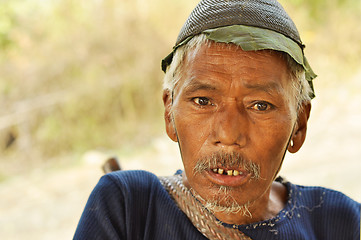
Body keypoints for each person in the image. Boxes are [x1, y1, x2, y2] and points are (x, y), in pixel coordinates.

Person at [74, 0, 360, 239]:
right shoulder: (128, 207)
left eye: (260, 105)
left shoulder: (340, 222)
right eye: (202, 101)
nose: (228, 133)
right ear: (169, 113)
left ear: (299, 125)